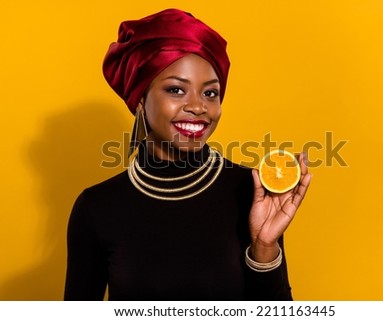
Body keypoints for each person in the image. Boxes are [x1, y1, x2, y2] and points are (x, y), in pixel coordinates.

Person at [64, 8, 311, 301]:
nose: (198, 107)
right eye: (176, 90)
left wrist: (265, 248)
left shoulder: (253, 190)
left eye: (210, 93)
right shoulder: (96, 208)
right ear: (140, 99)